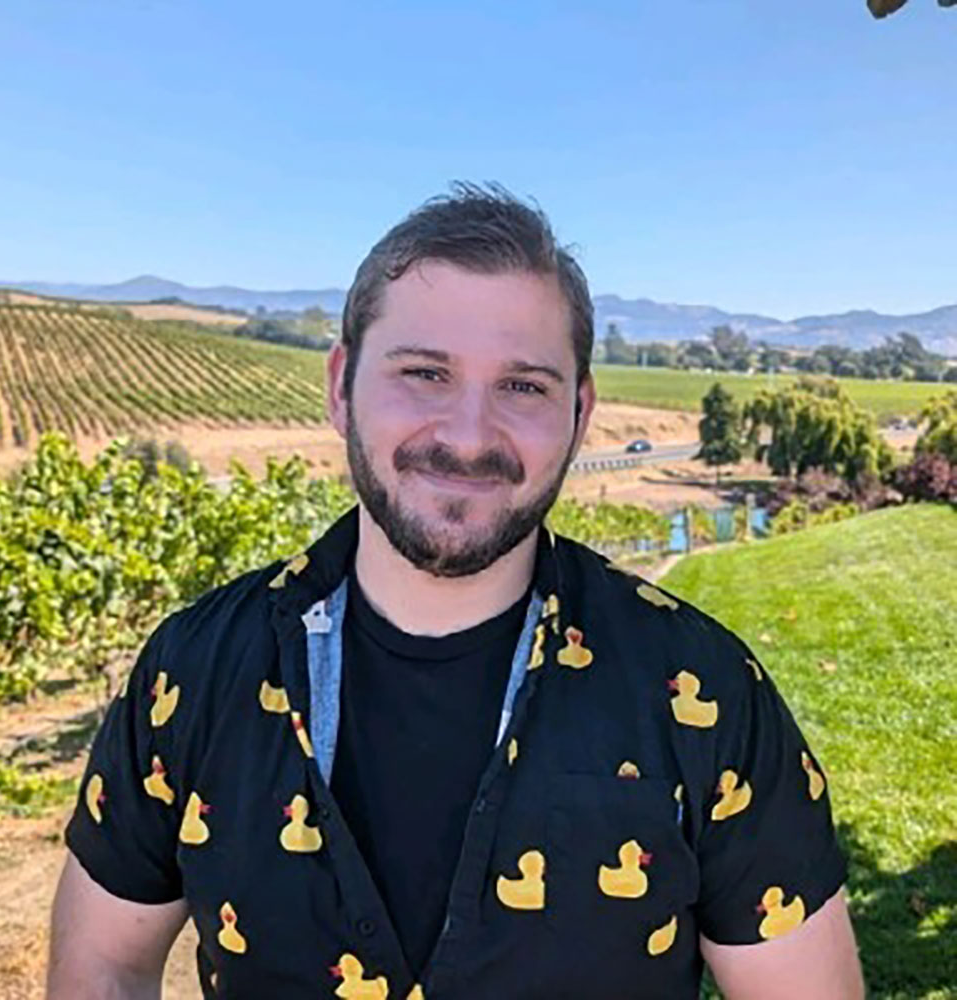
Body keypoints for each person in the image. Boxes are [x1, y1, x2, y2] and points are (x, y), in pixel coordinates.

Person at [47, 184, 864, 999]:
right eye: (424, 372)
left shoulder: (706, 690)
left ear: (579, 414)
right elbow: (104, 964)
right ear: (340, 385)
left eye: (524, 387)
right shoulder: (192, 672)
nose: (469, 437)